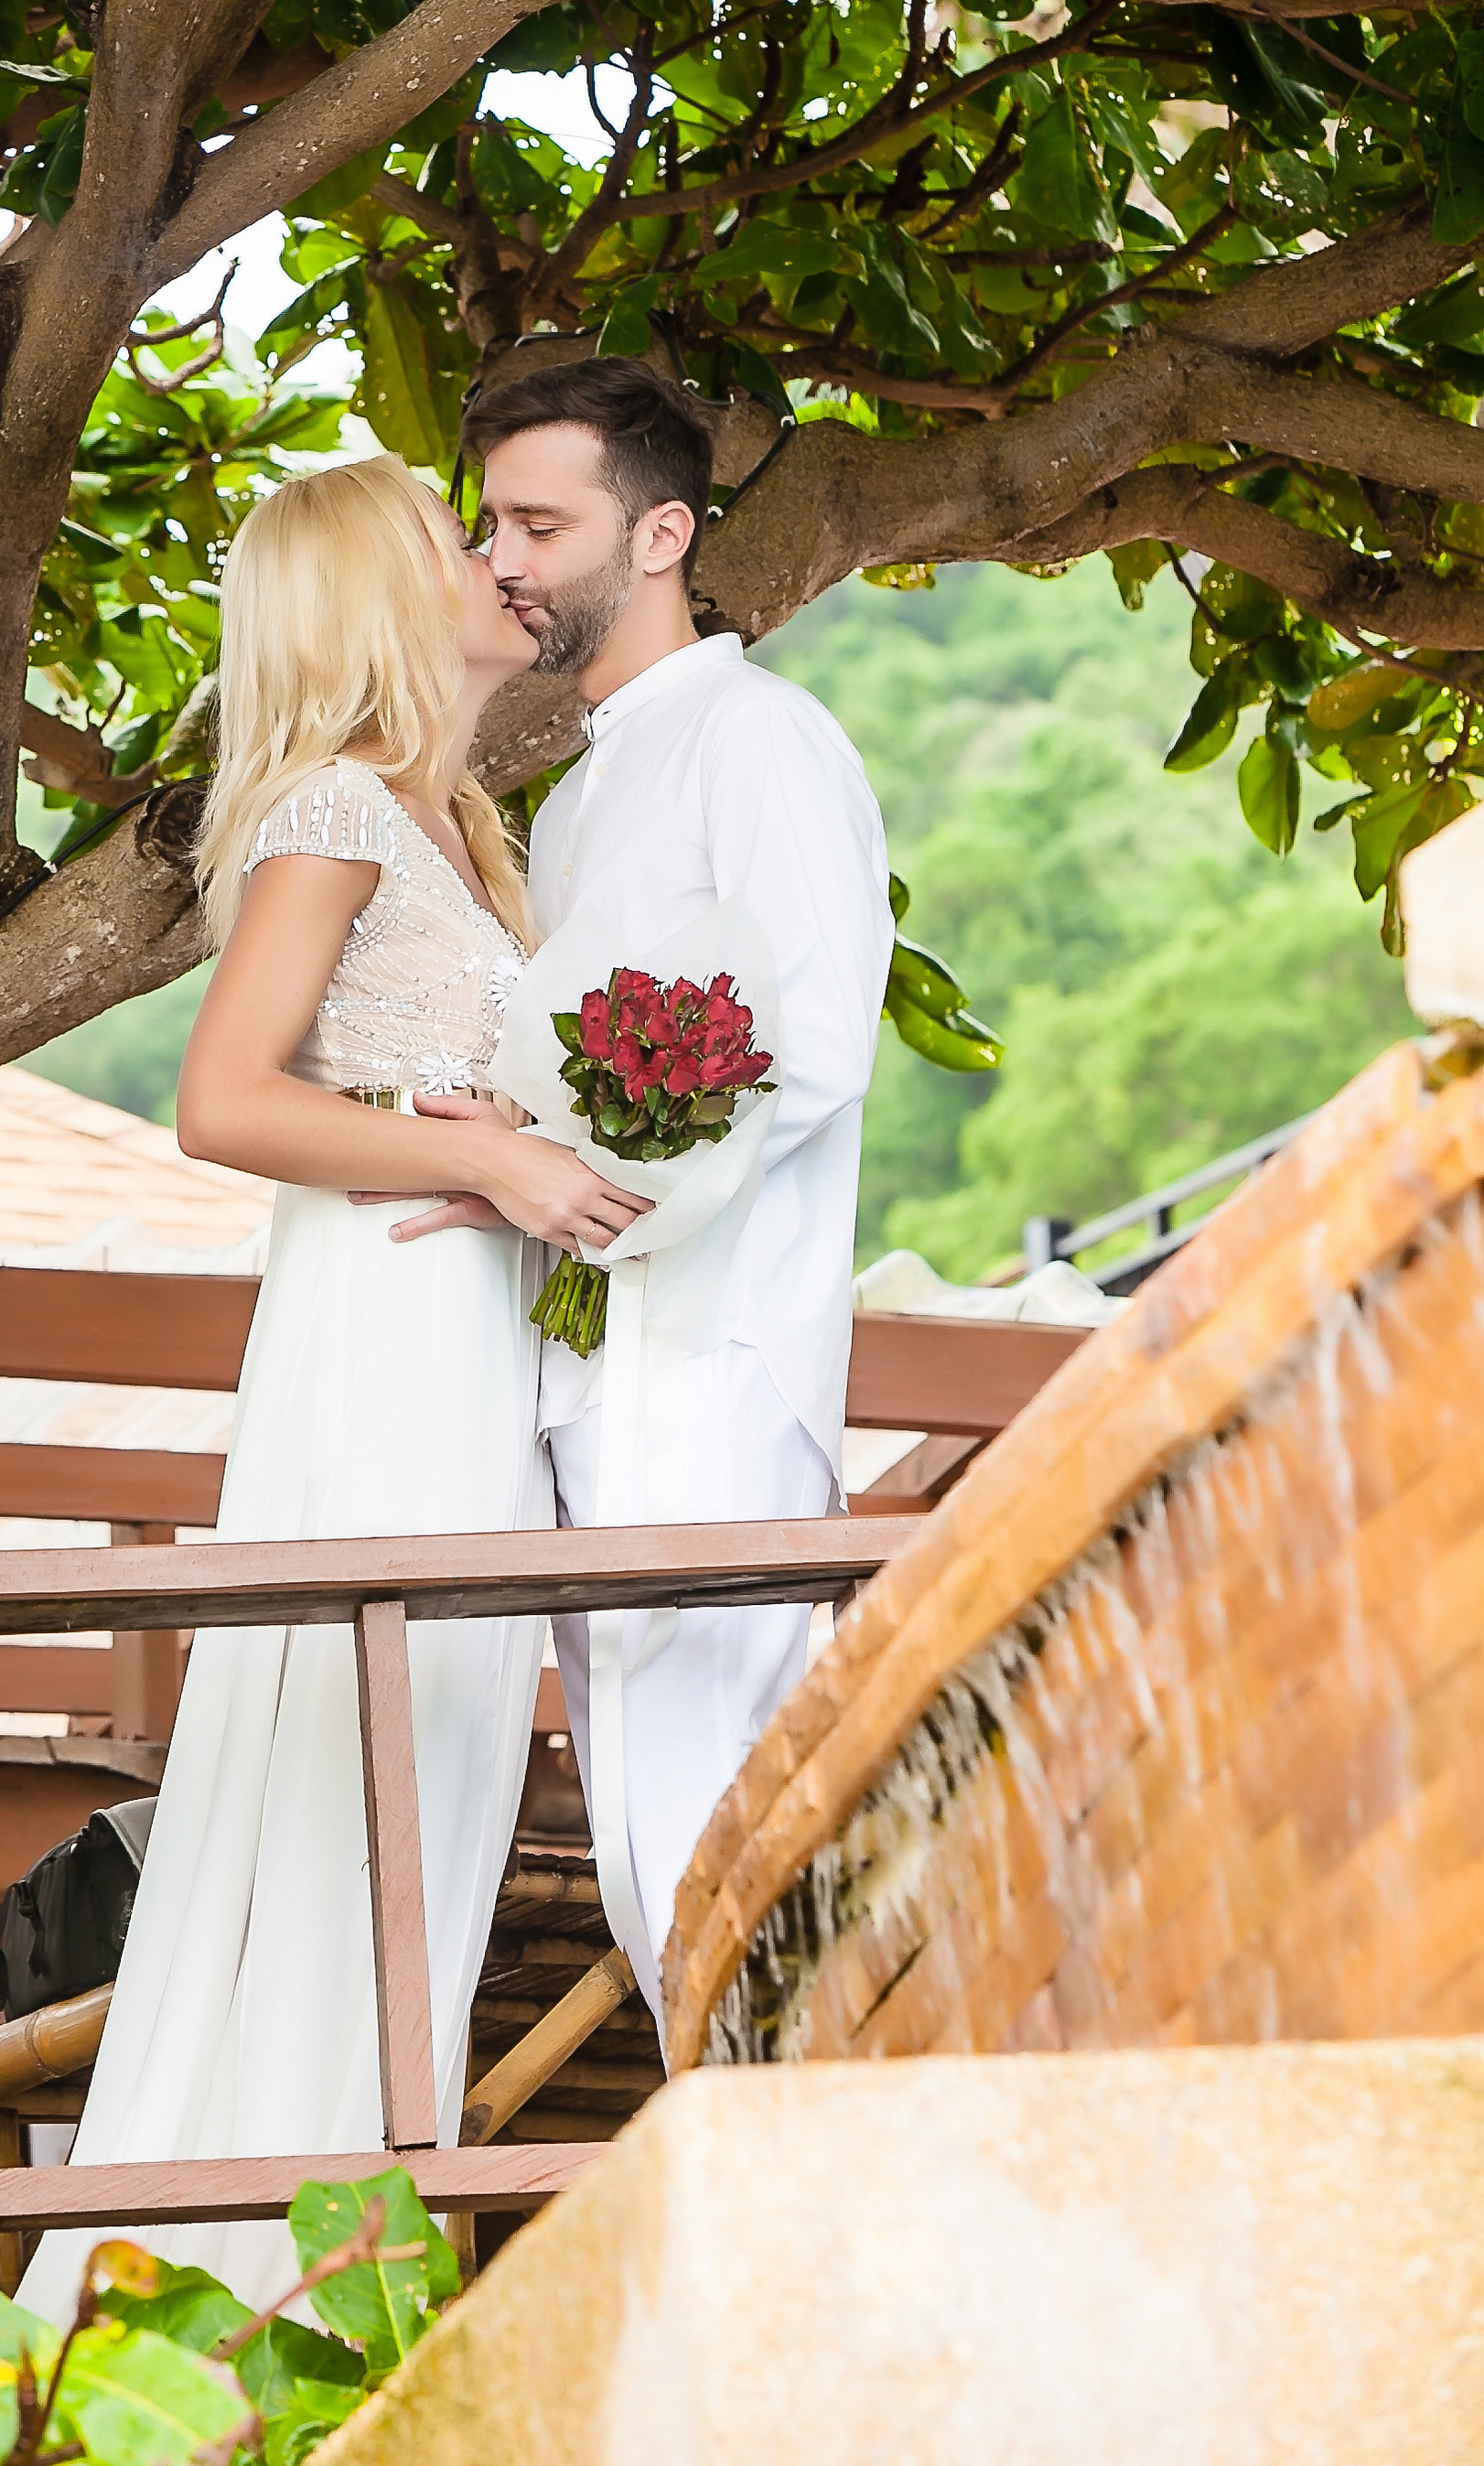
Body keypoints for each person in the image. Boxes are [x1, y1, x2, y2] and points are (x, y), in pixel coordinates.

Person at [18, 452, 644, 2316]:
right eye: (456, 541)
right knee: (355, 1763)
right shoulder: (330, 813)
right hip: (377, 1338)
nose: (491, 563)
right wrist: (493, 1163)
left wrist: (545, 1145)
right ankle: (227, 2282)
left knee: (437, 1762)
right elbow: (223, 1098)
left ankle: (327, 2250)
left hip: (461, 1336)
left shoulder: (460, 825)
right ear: (377, 594)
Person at [396, 356, 890, 2038]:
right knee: (645, 1843)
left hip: (718, 1365)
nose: (504, 559)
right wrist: (507, 1153)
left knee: (724, 1831)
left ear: (664, 529)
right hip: (602, 1363)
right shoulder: (591, 782)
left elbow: (813, 1048)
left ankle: (786, 2180)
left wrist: (583, 1189)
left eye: (542, 521)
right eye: (493, 524)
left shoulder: (764, 743)